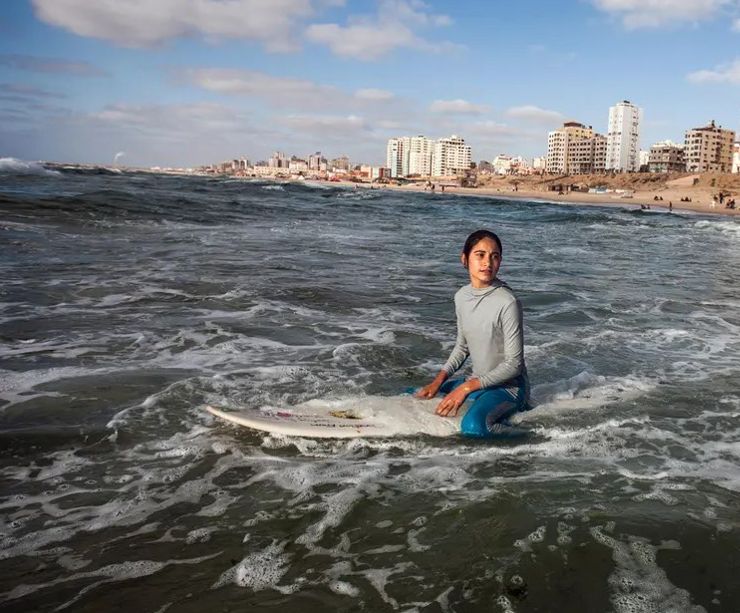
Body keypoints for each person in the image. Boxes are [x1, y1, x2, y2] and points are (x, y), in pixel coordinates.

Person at [415, 229, 531, 437]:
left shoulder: (508, 302)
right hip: (479, 381)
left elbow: (514, 365)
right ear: (464, 258)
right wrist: (438, 380)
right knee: (418, 394)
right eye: (480, 255)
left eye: (494, 256)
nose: (488, 262)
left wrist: (467, 388)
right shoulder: (461, 296)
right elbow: (462, 347)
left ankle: (534, 437)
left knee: (473, 428)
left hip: (509, 388)